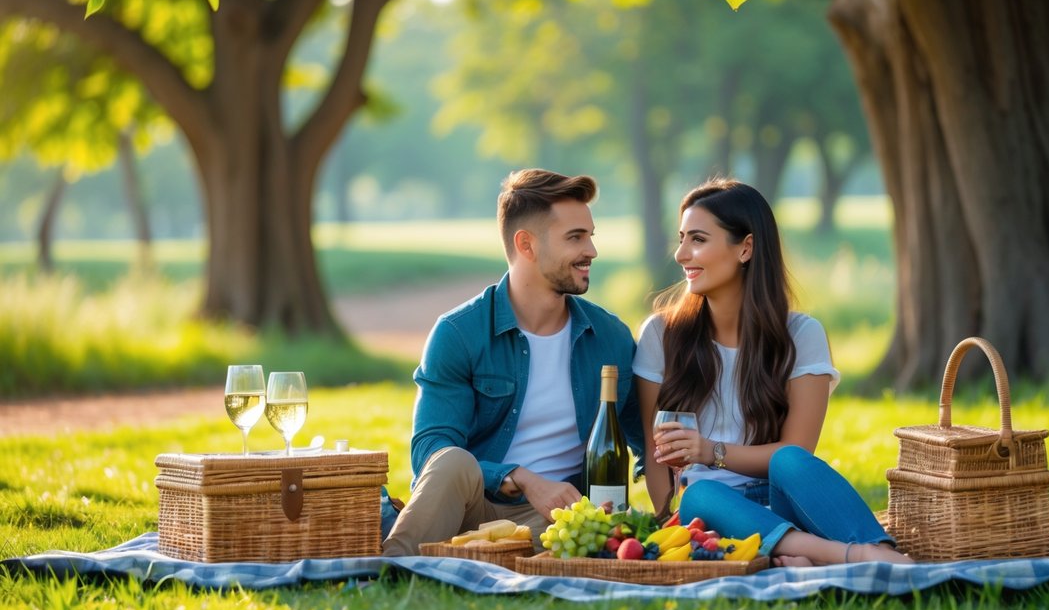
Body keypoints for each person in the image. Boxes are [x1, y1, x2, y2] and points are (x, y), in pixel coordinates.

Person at [633, 178, 911, 566]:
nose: (681, 254)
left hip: (782, 501)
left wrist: (708, 451)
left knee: (790, 461)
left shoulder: (801, 335)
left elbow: (794, 452)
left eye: (697, 239)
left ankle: (874, 552)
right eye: (681, 238)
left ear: (745, 248)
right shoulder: (660, 335)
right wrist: (667, 524)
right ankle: (850, 555)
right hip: (712, 513)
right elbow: (654, 448)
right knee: (699, 491)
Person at [382, 169, 642, 556]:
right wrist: (518, 478)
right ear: (527, 244)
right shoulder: (460, 332)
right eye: (575, 237)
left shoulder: (611, 339)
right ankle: (388, 570)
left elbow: (646, 444)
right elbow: (430, 453)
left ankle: (470, 559)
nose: (591, 250)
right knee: (451, 460)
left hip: (559, 521)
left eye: (590, 236)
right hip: (475, 508)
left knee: (601, 534)